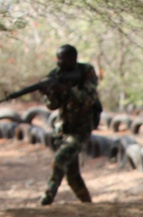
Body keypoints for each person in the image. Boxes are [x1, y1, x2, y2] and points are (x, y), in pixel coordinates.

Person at [40, 44, 101, 206]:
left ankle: (47, 200)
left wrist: (68, 89)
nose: (59, 62)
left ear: (73, 59)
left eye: (63, 59)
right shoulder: (55, 74)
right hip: (63, 129)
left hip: (81, 129)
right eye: (57, 58)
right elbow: (52, 105)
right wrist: (50, 93)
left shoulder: (86, 71)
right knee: (72, 176)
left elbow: (88, 98)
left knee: (59, 160)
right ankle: (89, 206)